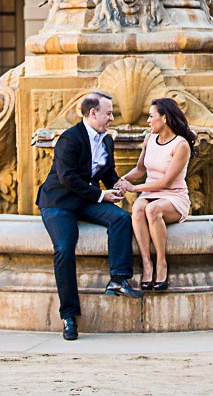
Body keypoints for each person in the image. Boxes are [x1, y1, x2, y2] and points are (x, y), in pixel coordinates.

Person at [37, 91, 141, 341]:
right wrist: (100, 196)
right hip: (58, 201)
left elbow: (107, 172)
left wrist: (119, 186)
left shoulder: (107, 140)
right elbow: (67, 177)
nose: (112, 118)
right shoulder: (69, 139)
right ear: (92, 113)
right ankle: (69, 316)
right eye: (108, 113)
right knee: (63, 248)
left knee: (121, 219)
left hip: (86, 199)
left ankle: (118, 279)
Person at [116, 97, 198, 292]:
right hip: (151, 192)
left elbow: (167, 182)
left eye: (151, 116)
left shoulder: (181, 145)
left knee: (152, 209)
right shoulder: (149, 138)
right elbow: (140, 169)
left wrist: (134, 189)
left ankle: (161, 262)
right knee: (138, 208)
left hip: (173, 196)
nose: (148, 121)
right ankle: (147, 263)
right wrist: (121, 180)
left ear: (165, 118)